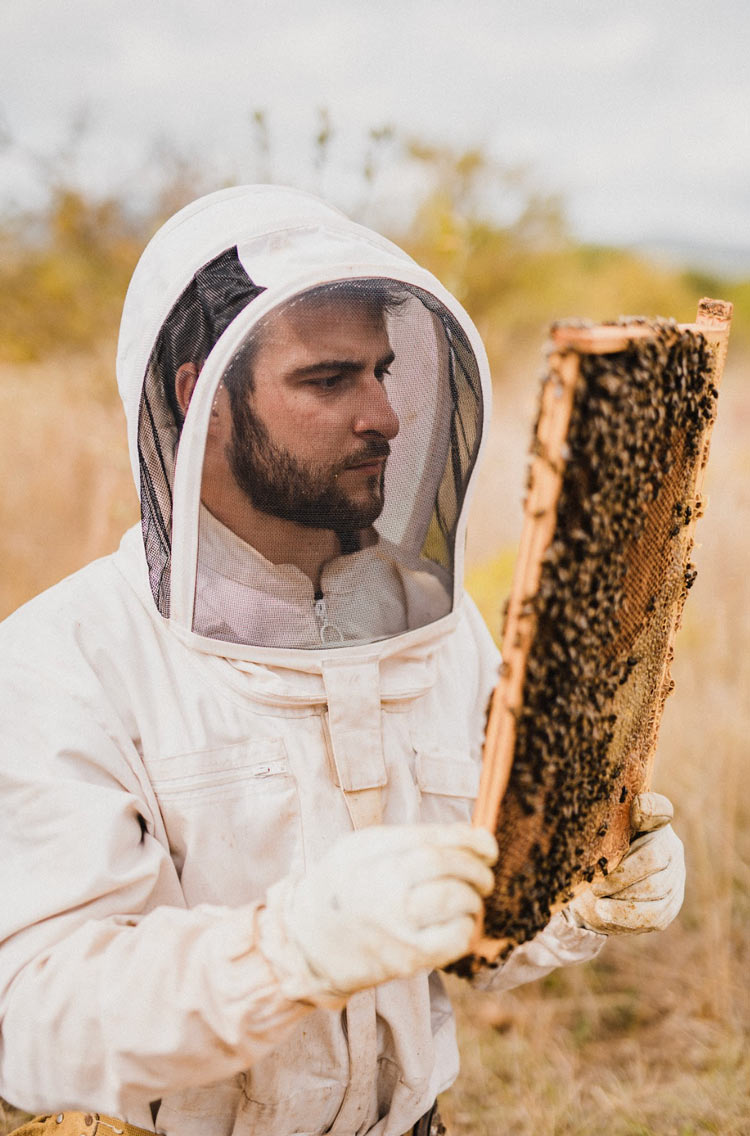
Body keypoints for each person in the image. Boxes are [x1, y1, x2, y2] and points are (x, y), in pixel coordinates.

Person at [0, 185, 685, 1136]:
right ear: (201, 395)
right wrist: (283, 953)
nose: (386, 417)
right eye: (329, 381)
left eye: (385, 371)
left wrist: (571, 894)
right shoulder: (63, 663)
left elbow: (466, 912)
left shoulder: (433, 626)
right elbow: (34, 1017)